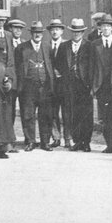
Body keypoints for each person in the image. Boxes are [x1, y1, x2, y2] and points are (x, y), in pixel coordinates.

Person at [16, 20, 57, 150]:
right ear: (31, 33)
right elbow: (17, 67)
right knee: (28, 115)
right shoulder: (21, 48)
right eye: (35, 32)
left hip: (44, 87)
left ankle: (45, 142)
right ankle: (30, 141)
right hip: (28, 88)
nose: (37, 34)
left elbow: (51, 65)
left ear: (43, 34)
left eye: (39, 32)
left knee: (45, 115)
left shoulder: (47, 47)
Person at [59, 17, 96, 150]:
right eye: (74, 31)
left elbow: (93, 66)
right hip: (69, 85)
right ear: (71, 32)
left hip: (85, 85)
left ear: (83, 32)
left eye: (79, 31)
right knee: (72, 113)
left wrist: (92, 86)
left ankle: (86, 142)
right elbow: (58, 64)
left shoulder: (89, 46)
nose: (76, 34)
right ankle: (77, 140)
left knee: (86, 114)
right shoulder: (64, 46)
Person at [89, 13, 112, 153]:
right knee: (106, 118)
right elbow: (91, 66)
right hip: (102, 86)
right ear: (100, 28)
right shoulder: (94, 44)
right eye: (104, 26)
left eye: (108, 26)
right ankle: (110, 145)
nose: (106, 28)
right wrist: (93, 86)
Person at [45, 18, 69, 147]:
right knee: (53, 112)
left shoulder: (67, 45)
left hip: (64, 84)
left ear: (62, 31)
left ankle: (68, 138)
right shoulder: (46, 45)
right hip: (51, 85)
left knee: (66, 112)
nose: (55, 32)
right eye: (53, 29)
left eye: (57, 29)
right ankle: (56, 138)